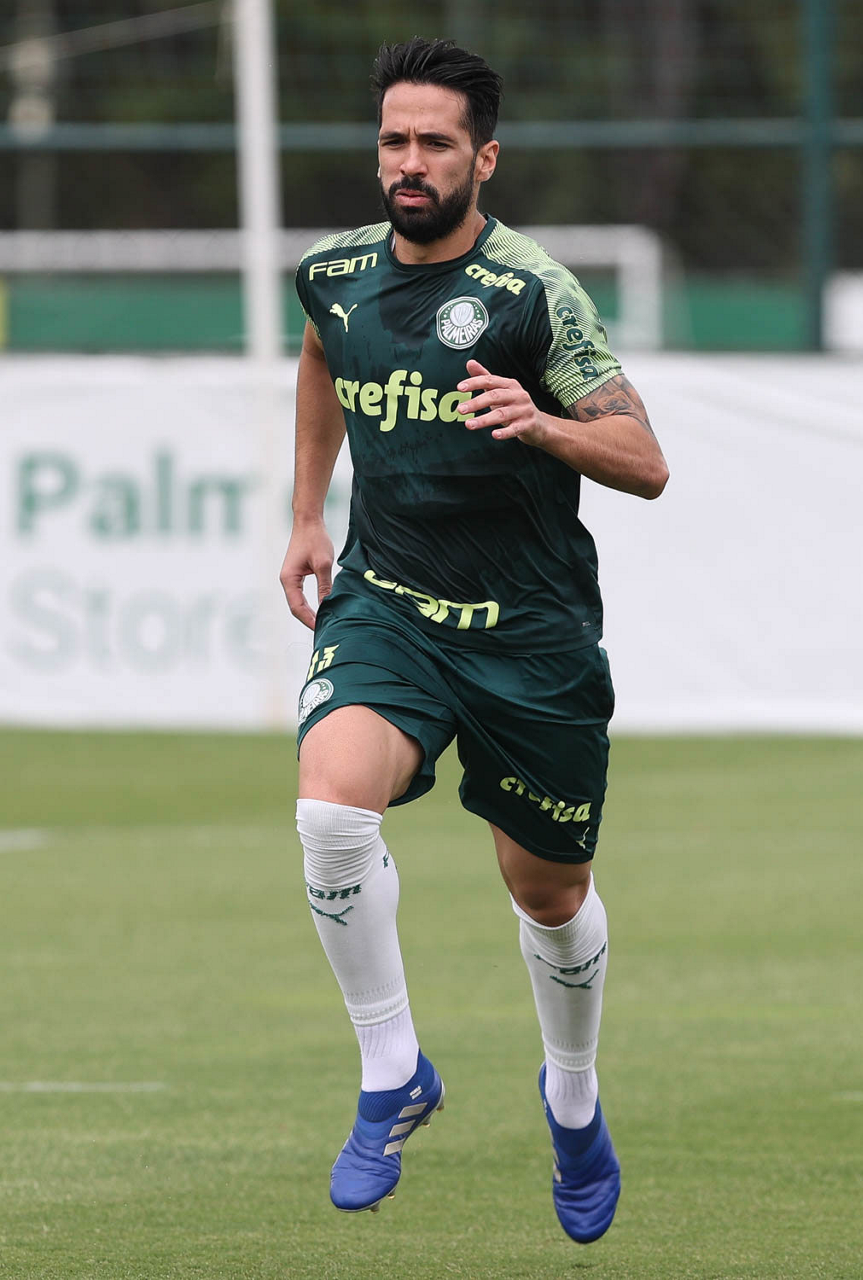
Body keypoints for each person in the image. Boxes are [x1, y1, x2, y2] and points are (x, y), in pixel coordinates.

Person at [280, 36, 668, 1244]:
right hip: (389, 602)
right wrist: (306, 513)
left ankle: (572, 1096)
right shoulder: (333, 273)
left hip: (528, 632)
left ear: (481, 159)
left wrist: (542, 423)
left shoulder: (531, 293)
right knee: (330, 805)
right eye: (393, 139)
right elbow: (323, 354)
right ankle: (392, 1070)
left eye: (434, 143)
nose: (409, 160)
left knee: (546, 892)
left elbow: (644, 460)